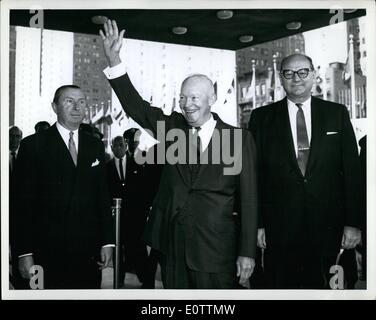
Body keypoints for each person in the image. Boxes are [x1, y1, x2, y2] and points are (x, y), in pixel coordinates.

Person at [100, 20, 258, 289]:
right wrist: (114, 60)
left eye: (195, 98)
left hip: (217, 250)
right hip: (172, 247)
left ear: (212, 99)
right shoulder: (174, 129)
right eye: (183, 98)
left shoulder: (236, 139)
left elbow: (249, 199)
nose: (187, 104)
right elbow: (137, 108)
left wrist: (247, 252)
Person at [248, 53, 362, 289]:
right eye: (289, 73)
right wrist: (257, 225)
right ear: (281, 77)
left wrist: (353, 223)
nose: (296, 78)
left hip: (330, 227)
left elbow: (352, 173)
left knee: (330, 289)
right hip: (279, 229)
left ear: (314, 75)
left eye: (303, 72)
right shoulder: (261, 118)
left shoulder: (337, 114)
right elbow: (254, 177)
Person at [13, 85, 114, 289]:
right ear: (54, 106)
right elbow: (20, 204)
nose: (77, 107)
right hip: (44, 253)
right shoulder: (33, 145)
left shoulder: (94, 145)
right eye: (69, 101)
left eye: (82, 102)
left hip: (87, 252)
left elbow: (102, 197)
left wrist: (107, 242)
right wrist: (24, 253)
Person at [106, 132, 151, 287]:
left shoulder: (137, 164)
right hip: (117, 218)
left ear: (126, 146)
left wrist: (143, 210)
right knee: (119, 249)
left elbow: (145, 189)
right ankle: (119, 279)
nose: (119, 148)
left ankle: (146, 279)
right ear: (111, 148)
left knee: (139, 248)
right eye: (115, 145)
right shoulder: (107, 168)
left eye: (121, 145)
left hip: (136, 216)